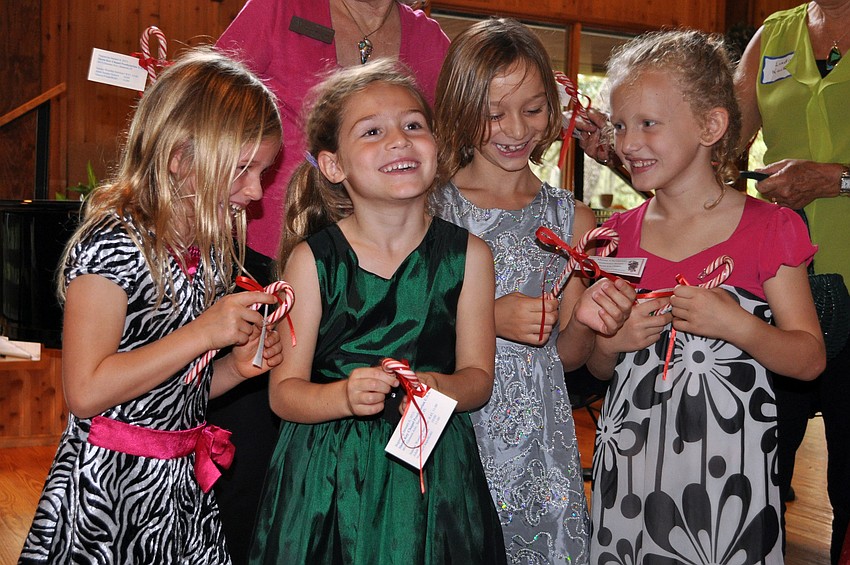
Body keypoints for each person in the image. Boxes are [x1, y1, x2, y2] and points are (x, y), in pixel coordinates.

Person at [18, 49, 284, 564]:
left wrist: (235, 368)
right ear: (181, 159)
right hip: (108, 497)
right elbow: (88, 391)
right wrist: (205, 334)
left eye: (263, 171)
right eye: (243, 170)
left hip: (179, 494)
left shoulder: (202, 254)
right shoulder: (112, 245)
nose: (254, 192)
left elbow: (171, 393)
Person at [212, 5, 449, 559]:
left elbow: (454, 142)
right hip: (260, 258)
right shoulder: (278, 10)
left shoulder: (429, 37)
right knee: (250, 450)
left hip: (388, 264)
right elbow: (213, 107)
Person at [249, 59, 506, 564]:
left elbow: (478, 380)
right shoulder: (312, 261)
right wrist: (344, 395)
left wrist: (440, 386)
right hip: (327, 478)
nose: (399, 140)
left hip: (432, 476)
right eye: (373, 131)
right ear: (333, 166)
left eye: (414, 125)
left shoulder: (470, 257)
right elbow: (284, 395)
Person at [584, 30, 826, 562]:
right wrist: (612, 340)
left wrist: (739, 325)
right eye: (620, 126)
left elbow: (809, 359)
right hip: (629, 471)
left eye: (648, 123)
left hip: (727, 482)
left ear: (710, 126)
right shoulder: (615, 237)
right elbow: (601, 370)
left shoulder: (768, 228)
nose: (626, 143)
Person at [430, 18, 635, 564]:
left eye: (534, 108)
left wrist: (586, 320)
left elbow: (567, 359)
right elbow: (400, 327)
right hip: (453, 438)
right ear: (457, 108)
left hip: (539, 452)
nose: (515, 128)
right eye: (493, 112)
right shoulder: (430, 210)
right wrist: (487, 317)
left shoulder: (571, 219)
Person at [735, 2, 850, 562]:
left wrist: (839, 179)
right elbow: (719, 138)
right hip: (782, 285)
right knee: (759, 461)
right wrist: (635, 144)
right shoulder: (773, 35)